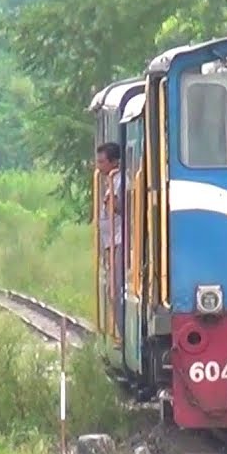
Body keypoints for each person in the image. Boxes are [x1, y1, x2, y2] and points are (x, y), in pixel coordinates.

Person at [94, 142, 125, 334]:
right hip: (111, 243)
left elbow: (123, 208)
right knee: (111, 290)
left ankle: (123, 334)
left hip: (120, 241)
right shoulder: (110, 181)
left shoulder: (122, 181)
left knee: (114, 290)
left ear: (114, 162)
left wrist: (112, 202)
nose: (98, 166)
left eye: (102, 162)